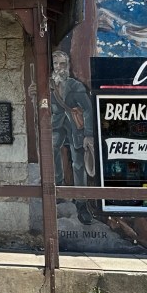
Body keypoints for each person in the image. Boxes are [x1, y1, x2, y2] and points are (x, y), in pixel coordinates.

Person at [50, 50, 95, 225]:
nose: (59, 68)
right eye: (56, 64)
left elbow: (88, 110)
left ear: (67, 66)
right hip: (56, 125)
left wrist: (89, 135)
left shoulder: (75, 86)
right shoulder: (47, 85)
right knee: (52, 151)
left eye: (63, 64)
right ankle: (58, 186)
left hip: (75, 129)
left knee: (78, 164)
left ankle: (81, 204)